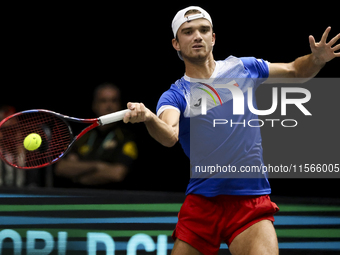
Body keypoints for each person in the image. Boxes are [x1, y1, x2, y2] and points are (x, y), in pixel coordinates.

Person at [122, 6, 339, 255]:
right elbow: (169, 135)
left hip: (250, 200)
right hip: (203, 203)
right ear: (176, 44)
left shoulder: (244, 68)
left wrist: (317, 59)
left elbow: (295, 70)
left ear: (213, 37)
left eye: (204, 30)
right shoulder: (176, 95)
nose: (197, 36)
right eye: (188, 32)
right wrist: (149, 117)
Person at [54, 83, 138, 189]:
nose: (109, 106)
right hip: (79, 197)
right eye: (103, 101)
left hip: (114, 198)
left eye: (114, 101)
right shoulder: (83, 136)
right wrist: (98, 166)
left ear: (120, 106)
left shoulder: (126, 137)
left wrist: (79, 177)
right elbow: (61, 167)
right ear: (95, 105)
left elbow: (117, 174)